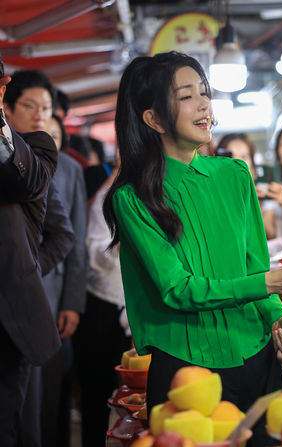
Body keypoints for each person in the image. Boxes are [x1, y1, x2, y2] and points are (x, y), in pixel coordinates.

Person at [103, 52, 282, 447]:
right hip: (187, 372)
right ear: (154, 119)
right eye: (186, 95)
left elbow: (253, 264)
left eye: (204, 92)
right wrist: (268, 283)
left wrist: (278, 315)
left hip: (259, 357)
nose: (203, 104)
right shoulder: (134, 198)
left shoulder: (234, 175)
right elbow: (178, 289)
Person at [4, 69, 82, 447]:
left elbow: (69, 236)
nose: (39, 114)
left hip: (22, 309)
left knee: (23, 422)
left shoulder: (40, 153)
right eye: (30, 106)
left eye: (45, 107)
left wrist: (23, 277)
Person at [74, 162, 131, 447]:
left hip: (145, 312)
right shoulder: (108, 195)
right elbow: (94, 253)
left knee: (138, 401)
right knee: (97, 398)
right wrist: (123, 241)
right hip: (104, 307)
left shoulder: (165, 189)